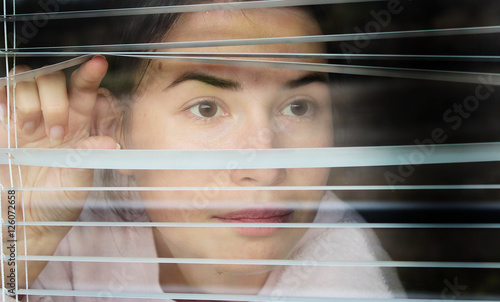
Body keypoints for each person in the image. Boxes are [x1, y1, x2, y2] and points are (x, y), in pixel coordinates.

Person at [1, 0, 404, 301]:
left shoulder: (350, 277)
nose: (265, 169)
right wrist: (25, 237)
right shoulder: (66, 218)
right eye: (207, 109)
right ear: (113, 127)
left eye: (298, 107)